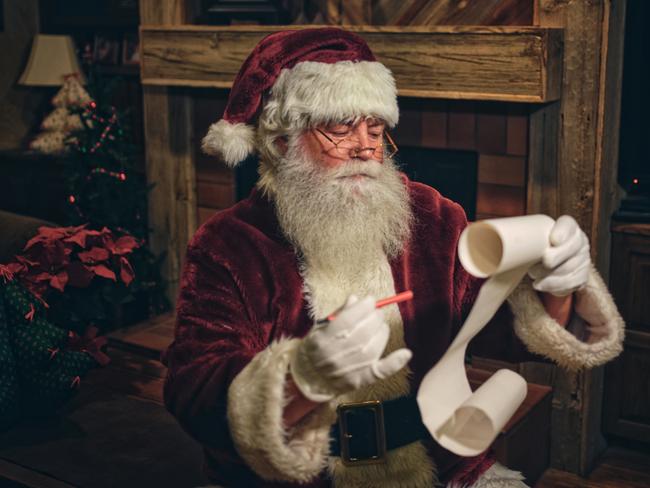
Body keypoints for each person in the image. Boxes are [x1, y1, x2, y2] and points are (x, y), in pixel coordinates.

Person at [163, 28, 624, 487]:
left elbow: (506, 332)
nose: (366, 148)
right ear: (280, 140)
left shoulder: (432, 215)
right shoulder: (228, 242)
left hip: (441, 464)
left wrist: (559, 283)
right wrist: (300, 379)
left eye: (377, 128)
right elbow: (193, 391)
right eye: (341, 127)